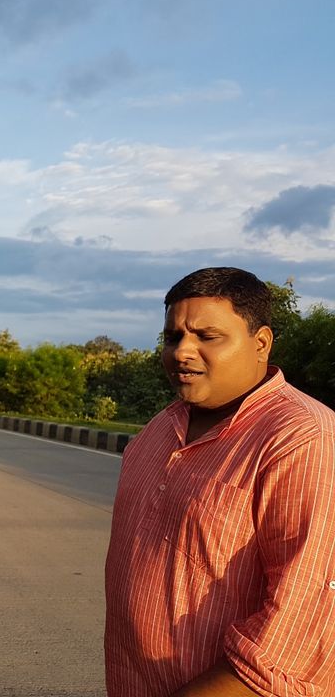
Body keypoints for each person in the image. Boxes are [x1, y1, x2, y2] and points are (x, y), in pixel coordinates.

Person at [104, 267, 335, 696]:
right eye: (173, 337)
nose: (182, 352)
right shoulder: (158, 430)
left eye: (207, 337)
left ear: (261, 343)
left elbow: (301, 619)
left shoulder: (301, 437)